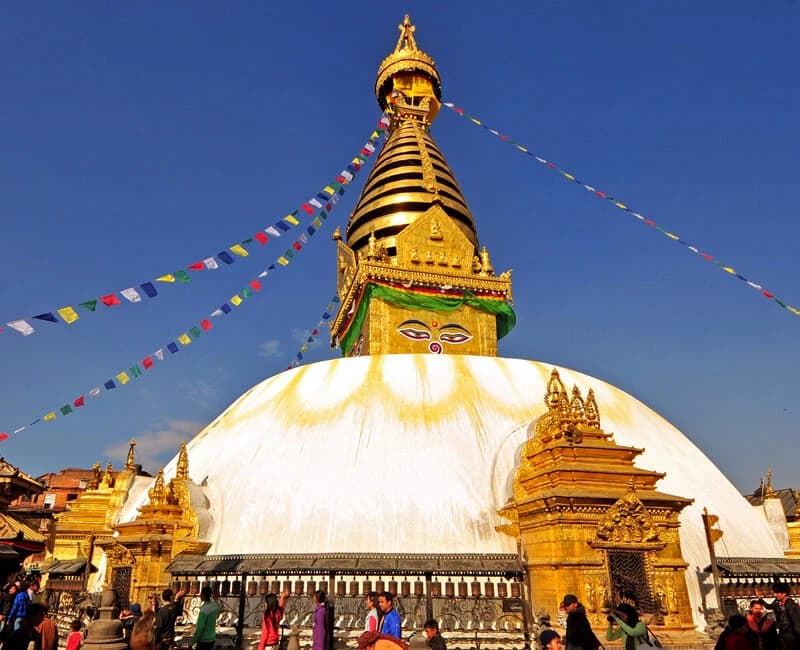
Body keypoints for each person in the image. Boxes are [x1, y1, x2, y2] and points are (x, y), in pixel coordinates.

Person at [762, 583, 800, 649]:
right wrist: (761, 599)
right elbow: (769, 606)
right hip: (783, 635)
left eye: (777, 593)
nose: (775, 595)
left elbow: (796, 621)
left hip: (791, 635)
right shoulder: (778, 602)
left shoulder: (791, 605)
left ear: (784, 593)